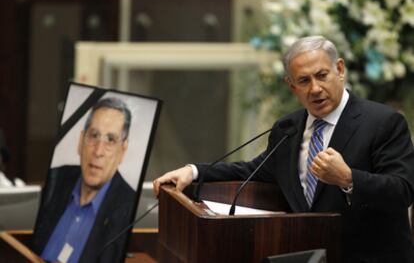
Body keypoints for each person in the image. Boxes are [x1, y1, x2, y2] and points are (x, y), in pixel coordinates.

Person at [153, 36, 414, 262]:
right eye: (304, 80)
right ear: (292, 86)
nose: (315, 89)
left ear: (340, 69)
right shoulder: (287, 128)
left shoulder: (383, 122)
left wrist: (348, 179)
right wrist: (193, 171)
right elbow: (253, 170)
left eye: (322, 75)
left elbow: (403, 190)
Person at [32, 97, 136, 263]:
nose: (98, 151)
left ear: (122, 150)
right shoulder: (55, 179)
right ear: (81, 141)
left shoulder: (129, 208)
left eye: (110, 140)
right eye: (94, 135)